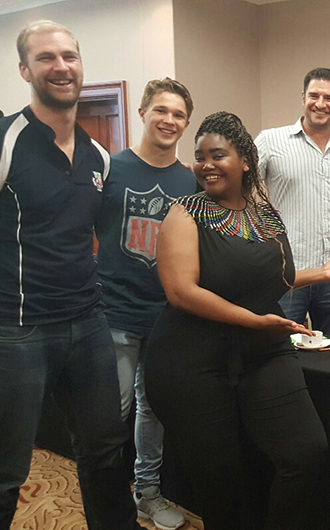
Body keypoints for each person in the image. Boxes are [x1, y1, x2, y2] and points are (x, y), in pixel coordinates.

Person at [145, 111, 330, 530]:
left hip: (262, 352)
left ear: (245, 160)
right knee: (220, 476)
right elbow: (181, 291)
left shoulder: (267, 216)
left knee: (306, 453)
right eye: (200, 156)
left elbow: (277, 278)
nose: (206, 164)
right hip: (191, 361)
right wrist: (252, 320)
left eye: (218, 155)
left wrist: (321, 273)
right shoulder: (185, 212)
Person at [0, 20, 142, 530]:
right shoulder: (8, 140)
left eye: (69, 56)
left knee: (105, 454)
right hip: (18, 331)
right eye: (46, 58)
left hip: (88, 325)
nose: (61, 67)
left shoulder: (98, 155)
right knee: (7, 472)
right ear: (24, 70)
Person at [95, 78, 196, 530]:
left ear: (186, 123)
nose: (168, 120)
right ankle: (108, 502)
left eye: (177, 114)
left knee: (151, 410)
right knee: (110, 417)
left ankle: (147, 494)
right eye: (161, 110)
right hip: (113, 314)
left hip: (165, 318)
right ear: (141, 113)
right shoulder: (110, 170)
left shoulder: (189, 181)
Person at [255, 67, 330, 337]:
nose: (320, 104)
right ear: (303, 97)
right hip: (286, 274)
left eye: (329, 98)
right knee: (280, 350)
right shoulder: (270, 141)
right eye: (314, 95)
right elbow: (239, 183)